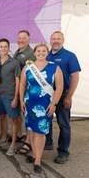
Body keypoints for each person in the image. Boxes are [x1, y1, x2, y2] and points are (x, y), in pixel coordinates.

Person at [19, 43, 63, 173]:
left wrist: (54, 103)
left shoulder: (54, 67)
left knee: (41, 132)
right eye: (39, 51)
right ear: (35, 52)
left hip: (46, 105)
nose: (41, 53)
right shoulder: (28, 67)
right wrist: (21, 100)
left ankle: (38, 161)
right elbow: (22, 84)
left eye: (44, 51)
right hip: (29, 104)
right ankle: (34, 155)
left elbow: (59, 87)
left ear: (47, 52)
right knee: (32, 130)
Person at [45, 31, 81, 164]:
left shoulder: (70, 56)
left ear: (63, 40)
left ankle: (63, 152)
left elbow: (75, 77)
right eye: (53, 39)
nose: (55, 41)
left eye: (58, 39)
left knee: (64, 124)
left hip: (63, 95)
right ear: (50, 40)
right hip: (47, 95)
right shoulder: (46, 55)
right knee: (46, 120)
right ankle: (47, 143)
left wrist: (69, 96)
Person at [0, 38, 21, 156]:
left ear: (8, 48)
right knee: (2, 117)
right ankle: (3, 138)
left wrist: (16, 97)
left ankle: (13, 143)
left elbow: (18, 81)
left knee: (13, 119)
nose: (3, 49)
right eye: (1, 47)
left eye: (5, 46)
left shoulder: (15, 62)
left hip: (10, 95)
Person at [13, 30, 36, 154]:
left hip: (28, 89)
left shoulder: (31, 54)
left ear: (29, 39)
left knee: (28, 116)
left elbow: (32, 74)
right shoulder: (18, 52)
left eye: (24, 38)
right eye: (19, 38)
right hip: (20, 87)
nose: (21, 40)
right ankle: (21, 136)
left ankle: (28, 142)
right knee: (21, 114)